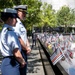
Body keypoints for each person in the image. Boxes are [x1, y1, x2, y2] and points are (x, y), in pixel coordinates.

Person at [0, 8, 26, 75]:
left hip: (7, 62)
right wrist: (22, 62)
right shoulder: (10, 32)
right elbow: (16, 52)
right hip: (11, 63)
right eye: (15, 18)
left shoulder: (5, 30)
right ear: (9, 19)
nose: (16, 21)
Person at [13, 5, 31, 75]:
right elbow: (19, 39)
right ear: (17, 12)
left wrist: (28, 46)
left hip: (24, 51)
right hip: (20, 51)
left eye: (25, 13)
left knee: (23, 72)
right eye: (23, 12)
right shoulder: (16, 24)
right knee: (21, 72)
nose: (24, 14)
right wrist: (26, 48)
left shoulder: (20, 23)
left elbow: (24, 37)